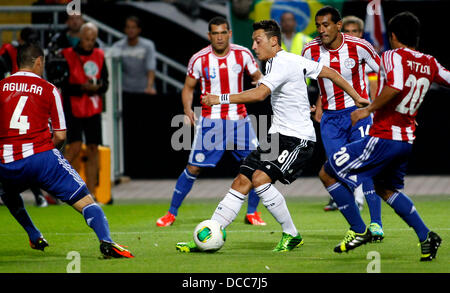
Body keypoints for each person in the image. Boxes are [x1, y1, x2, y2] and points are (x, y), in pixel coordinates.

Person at [175, 19, 369, 252]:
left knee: (259, 179)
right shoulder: (283, 61)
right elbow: (328, 72)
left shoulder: (281, 63)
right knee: (242, 180)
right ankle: (208, 234)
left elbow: (260, 94)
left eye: (258, 41)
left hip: (298, 139)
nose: (254, 47)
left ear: (273, 41)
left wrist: (220, 98)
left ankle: (292, 234)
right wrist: (355, 96)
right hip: (278, 138)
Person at [318, 12, 445, 261]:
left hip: (384, 137)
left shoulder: (392, 55)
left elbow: (395, 86)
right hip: (406, 140)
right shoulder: (429, 61)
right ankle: (425, 235)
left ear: (394, 36)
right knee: (385, 188)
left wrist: (367, 109)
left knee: (327, 173)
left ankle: (358, 229)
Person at [0, 42, 133, 258]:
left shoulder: (1, 86)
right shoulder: (48, 89)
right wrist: (44, 157)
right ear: (38, 62)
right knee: (85, 200)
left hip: (6, 161)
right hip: (42, 157)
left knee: (8, 193)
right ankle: (107, 242)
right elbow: (60, 135)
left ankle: (34, 235)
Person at [156, 16, 266, 227]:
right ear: (209, 36)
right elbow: (188, 87)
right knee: (193, 168)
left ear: (229, 34)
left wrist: (260, 80)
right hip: (211, 122)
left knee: (257, 166)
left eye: (223, 32)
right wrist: (187, 109)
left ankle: (252, 213)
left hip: (239, 120)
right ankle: (171, 213)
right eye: (215, 33)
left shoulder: (243, 54)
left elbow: (257, 76)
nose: (219, 37)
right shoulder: (199, 59)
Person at [302, 6, 384, 241]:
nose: (321, 30)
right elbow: (299, 80)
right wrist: (307, 104)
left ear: (338, 25)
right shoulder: (309, 50)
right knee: (337, 171)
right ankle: (359, 228)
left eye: (326, 25)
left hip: (358, 113)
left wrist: (380, 108)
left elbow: (385, 73)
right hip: (330, 119)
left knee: (367, 166)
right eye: (318, 26)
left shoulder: (360, 46)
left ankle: (376, 224)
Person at [60, 22, 108, 200]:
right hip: (73, 107)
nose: (90, 42)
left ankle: (92, 194)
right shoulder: (67, 55)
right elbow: (63, 85)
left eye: (93, 39)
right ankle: (62, 189)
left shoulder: (100, 55)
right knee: (74, 148)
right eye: (87, 39)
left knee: (94, 148)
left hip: (93, 107)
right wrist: (82, 88)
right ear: (80, 37)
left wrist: (97, 88)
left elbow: (105, 83)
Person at [112, 15, 157, 96]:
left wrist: (149, 87)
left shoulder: (148, 45)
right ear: (125, 29)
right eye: (128, 27)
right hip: (124, 90)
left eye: (133, 27)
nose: (130, 30)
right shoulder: (117, 46)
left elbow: (151, 68)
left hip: (144, 90)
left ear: (139, 30)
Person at [342, 15, 378, 101]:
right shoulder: (333, 53)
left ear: (361, 33)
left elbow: (373, 83)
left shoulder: (367, 53)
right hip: (337, 107)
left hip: (361, 106)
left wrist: (374, 109)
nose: (350, 35)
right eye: (347, 31)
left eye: (354, 31)